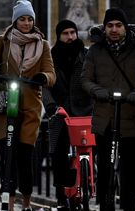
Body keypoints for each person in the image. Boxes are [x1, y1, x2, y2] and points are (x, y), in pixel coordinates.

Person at [0, 0, 56, 211]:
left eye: (30, 19)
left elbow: (51, 74)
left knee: (25, 158)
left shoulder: (43, 44)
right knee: (7, 158)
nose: (27, 23)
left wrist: (42, 77)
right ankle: (9, 204)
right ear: (15, 21)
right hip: (4, 105)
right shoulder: (2, 41)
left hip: (30, 107)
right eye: (22, 19)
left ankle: (27, 203)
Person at [81, 7, 135, 211]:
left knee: (131, 170)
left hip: (131, 118)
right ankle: (105, 203)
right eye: (110, 26)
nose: (114, 29)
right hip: (104, 118)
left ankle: (129, 205)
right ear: (105, 28)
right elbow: (85, 79)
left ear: (125, 27)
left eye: (118, 25)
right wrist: (99, 92)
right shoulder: (95, 51)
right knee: (105, 166)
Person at [42, 19, 93, 210]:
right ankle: (61, 196)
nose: (71, 37)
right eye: (66, 33)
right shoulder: (51, 57)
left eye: (73, 32)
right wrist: (51, 106)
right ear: (59, 36)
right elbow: (45, 86)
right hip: (60, 112)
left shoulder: (86, 55)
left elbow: (94, 79)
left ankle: (88, 182)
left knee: (89, 148)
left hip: (84, 111)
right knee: (58, 154)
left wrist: (94, 101)